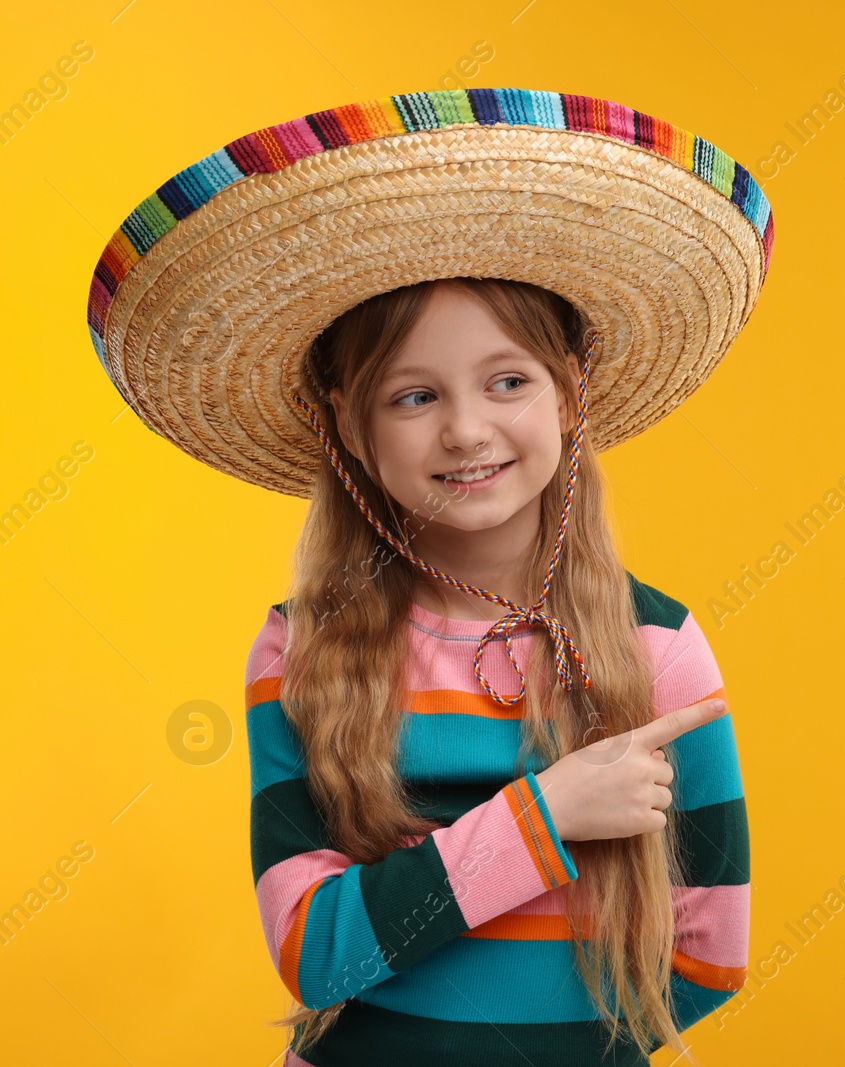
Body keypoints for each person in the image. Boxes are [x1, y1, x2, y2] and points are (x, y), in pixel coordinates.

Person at [85, 87, 775, 1066]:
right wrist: (545, 815)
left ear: (571, 392)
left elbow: (708, 958)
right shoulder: (302, 648)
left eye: (508, 379)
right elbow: (315, 952)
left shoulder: (657, 645)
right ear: (348, 426)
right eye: (414, 394)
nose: (465, 428)